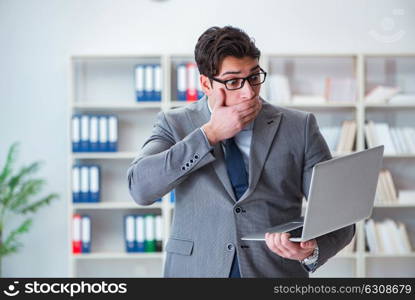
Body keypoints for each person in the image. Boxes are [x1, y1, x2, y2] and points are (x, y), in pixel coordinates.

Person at [127, 26, 355, 278]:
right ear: (205, 83)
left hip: (274, 272)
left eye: (255, 77)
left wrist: (311, 251)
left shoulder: (298, 126)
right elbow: (140, 188)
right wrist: (209, 134)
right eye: (234, 81)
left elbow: (341, 217)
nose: (249, 92)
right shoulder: (174, 123)